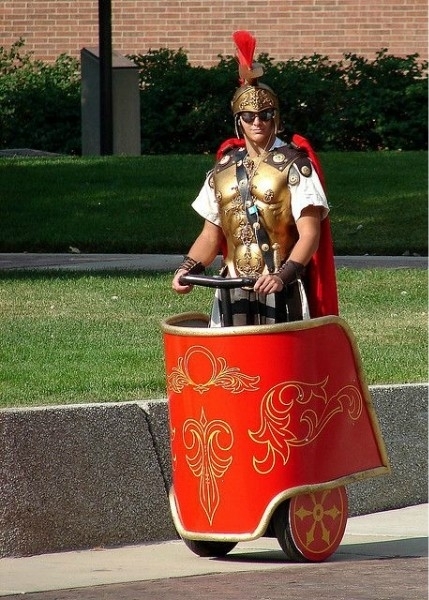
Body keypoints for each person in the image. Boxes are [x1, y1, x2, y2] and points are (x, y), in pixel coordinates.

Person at [172, 30, 338, 326]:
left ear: (277, 117)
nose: (257, 121)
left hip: (281, 287)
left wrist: (282, 276)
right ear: (239, 121)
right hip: (230, 287)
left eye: (265, 114)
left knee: (284, 366)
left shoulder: (295, 165)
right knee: (232, 366)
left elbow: (311, 233)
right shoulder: (222, 169)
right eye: (249, 116)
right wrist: (187, 267)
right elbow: (211, 235)